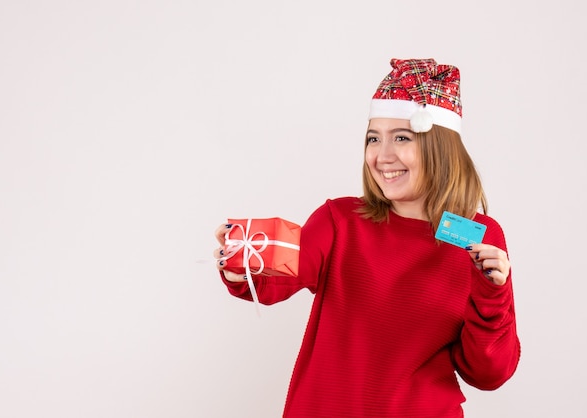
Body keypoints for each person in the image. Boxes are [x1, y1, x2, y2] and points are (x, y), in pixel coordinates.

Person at [213, 58, 520, 417]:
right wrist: (245, 260)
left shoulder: (478, 237)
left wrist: (491, 295)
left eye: (402, 138)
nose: (381, 156)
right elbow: (287, 270)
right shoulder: (341, 220)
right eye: (373, 139)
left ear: (440, 146)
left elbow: (488, 372)